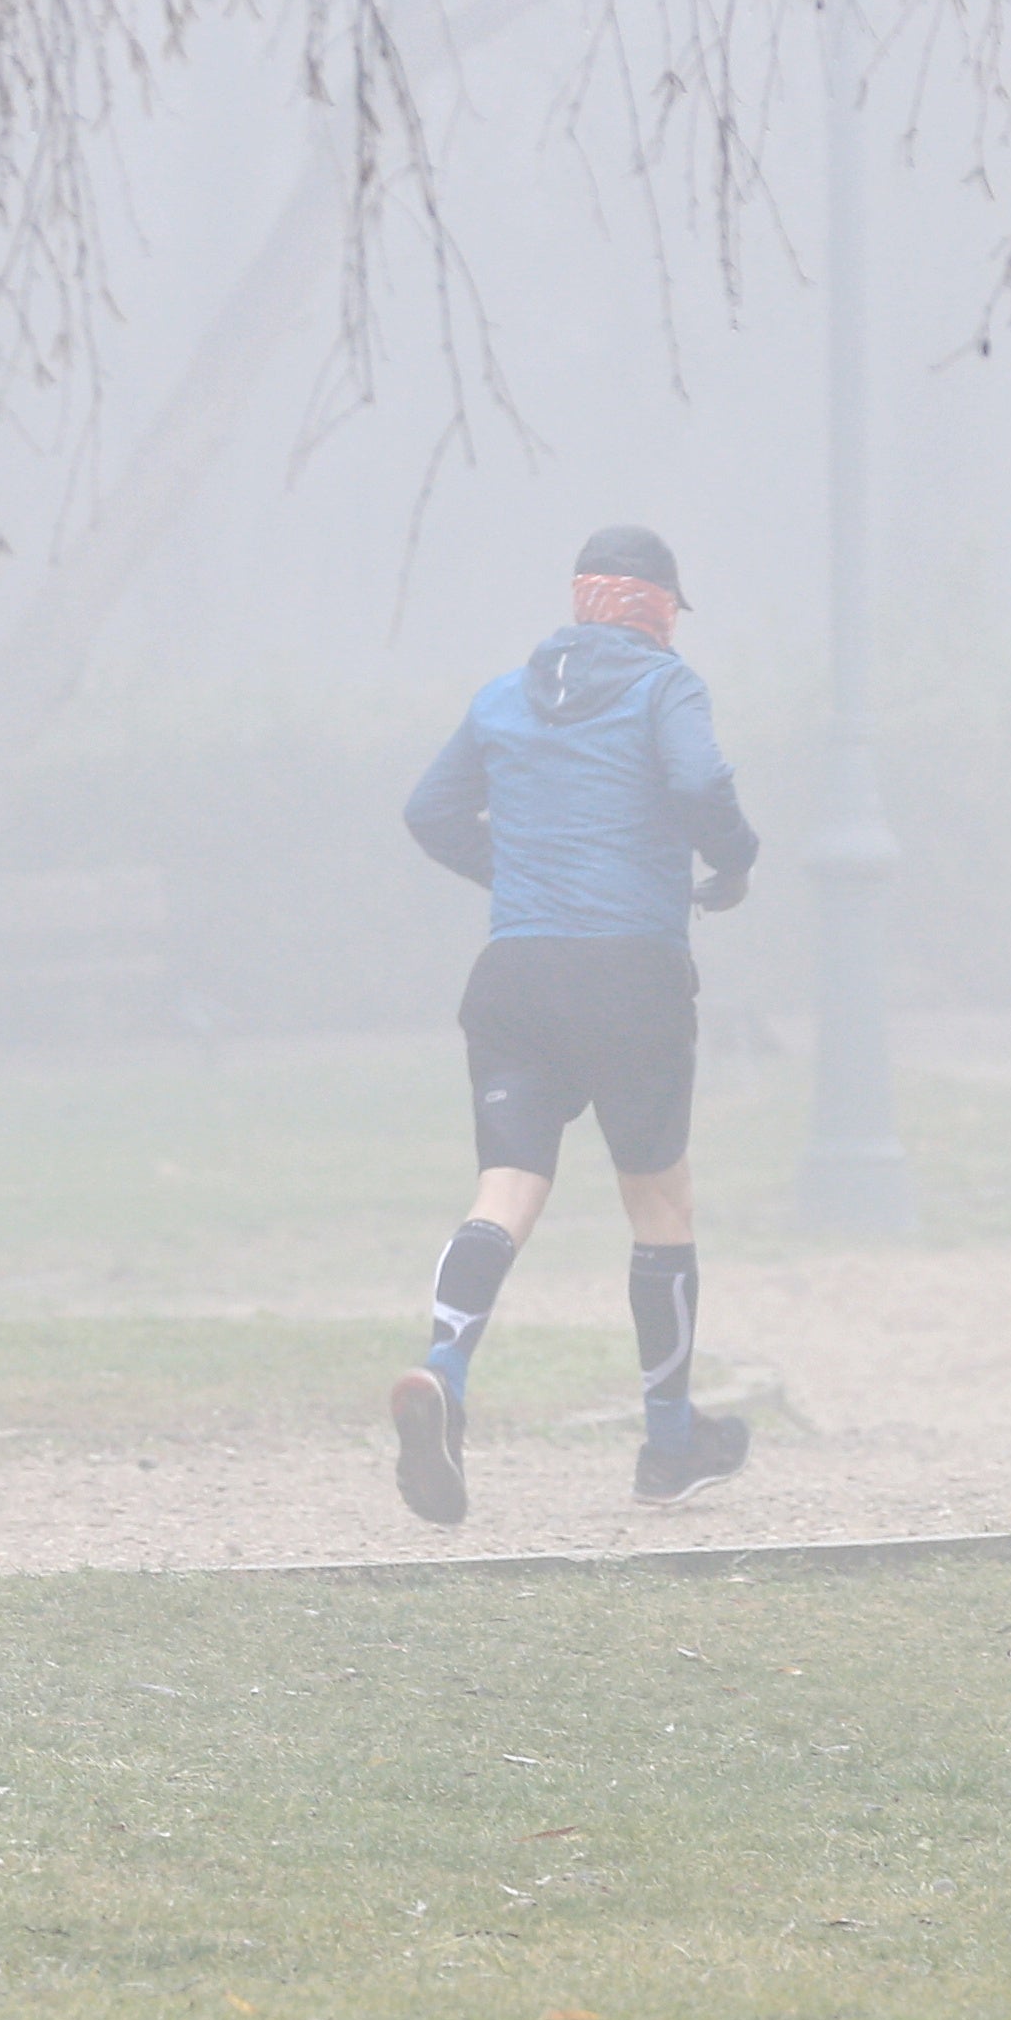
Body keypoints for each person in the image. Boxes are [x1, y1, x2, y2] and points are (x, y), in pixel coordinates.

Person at [390, 524, 762, 1525]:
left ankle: (443, 1372)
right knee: (658, 1204)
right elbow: (696, 785)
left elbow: (430, 812)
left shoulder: (504, 696)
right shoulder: (664, 688)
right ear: (659, 608)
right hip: (631, 978)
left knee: (506, 1189)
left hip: (515, 978)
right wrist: (733, 859)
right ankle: (672, 1445)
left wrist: (510, 877)